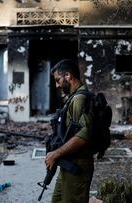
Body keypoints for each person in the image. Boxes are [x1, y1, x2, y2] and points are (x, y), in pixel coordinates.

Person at [45, 59, 94, 203]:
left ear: (68, 76)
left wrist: (56, 154)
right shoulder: (73, 97)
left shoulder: (80, 99)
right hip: (69, 161)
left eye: (57, 80)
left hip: (77, 165)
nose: (56, 85)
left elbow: (84, 135)